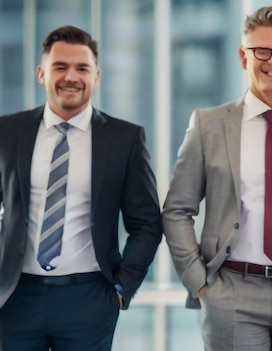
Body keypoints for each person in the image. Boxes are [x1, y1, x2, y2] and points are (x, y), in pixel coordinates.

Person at [162, 6, 272, 351]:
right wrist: (199, 283)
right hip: (232, 292)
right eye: (261, 50)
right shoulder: (208, 125)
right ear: (243, 56)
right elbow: (176, 210)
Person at [0, 26, 163, 351]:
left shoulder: (125, 139)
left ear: (97, 75)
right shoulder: (7, 132)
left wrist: (121, 288)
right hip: (15, 296)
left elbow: (147, 223)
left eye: (82, 68)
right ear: (41, 73)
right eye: (60, 67)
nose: (71, 76)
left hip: (90, 298)